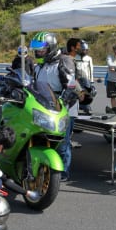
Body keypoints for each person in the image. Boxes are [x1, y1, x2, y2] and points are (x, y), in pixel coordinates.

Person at [30, 33, 81, 181]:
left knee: (62, 143)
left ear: (50, 48)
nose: (38, 53)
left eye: (41, 50)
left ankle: (63, 173)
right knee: (46, 139)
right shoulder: (40, 65)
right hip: (45, 108)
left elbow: (71, 87)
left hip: (64, 109)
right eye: (36, 50)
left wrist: (60, 105)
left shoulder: (63, 61)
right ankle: (47, 168)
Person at [75, 40, 95, 115]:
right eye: (83, 50)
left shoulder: (89, 58)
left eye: (86, 50)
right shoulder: (74, 57)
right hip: (77, 79)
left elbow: (91, 70)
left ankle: (86, 106)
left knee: (88, 93)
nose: (84, 51)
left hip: (86, 79)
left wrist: (92, 82)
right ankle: (77, 106)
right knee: (77, 93)